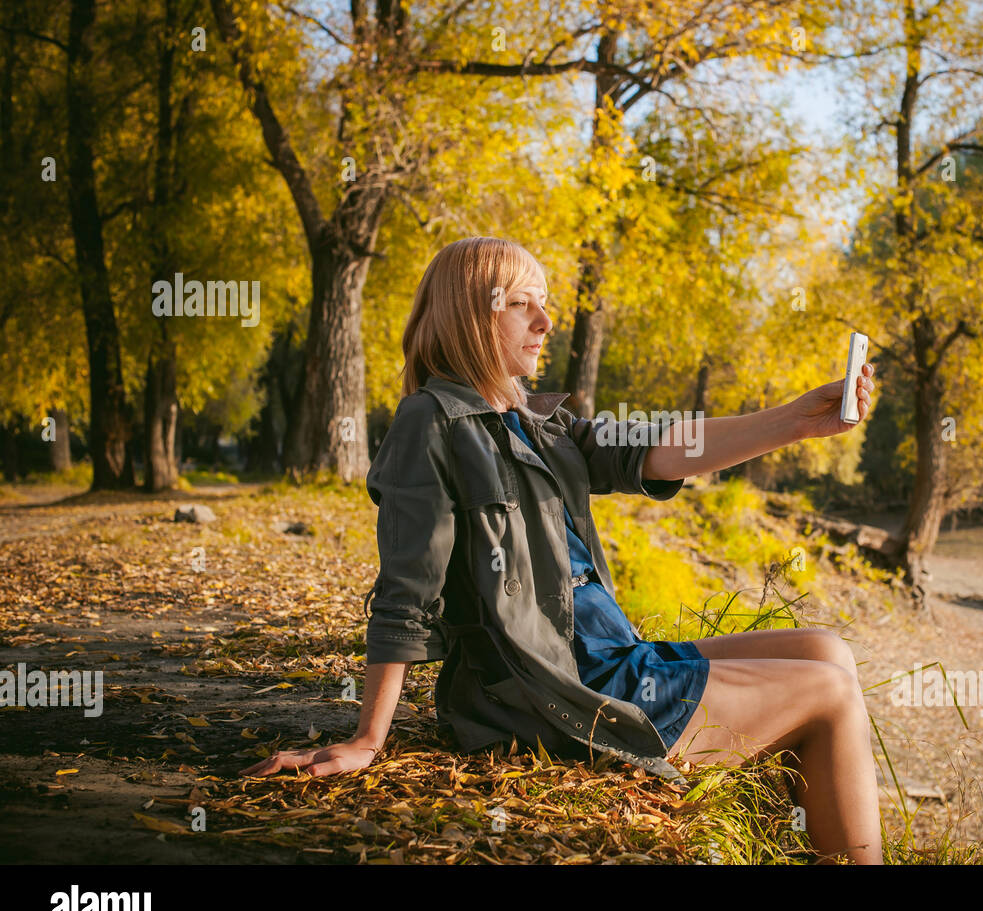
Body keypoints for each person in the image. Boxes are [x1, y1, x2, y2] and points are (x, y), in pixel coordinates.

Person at [243, 236, 881, 864]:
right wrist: (368, 738)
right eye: (523, 304)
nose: (546, 323)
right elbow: (406, 594)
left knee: (827, 651)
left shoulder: (536, 423)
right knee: (828, 691)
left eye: (544, 303)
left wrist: (799, 420)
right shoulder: (429, 423)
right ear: (472, 314)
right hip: (559, 692)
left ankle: (803, 834)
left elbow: (656, 446)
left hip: (607, 656)